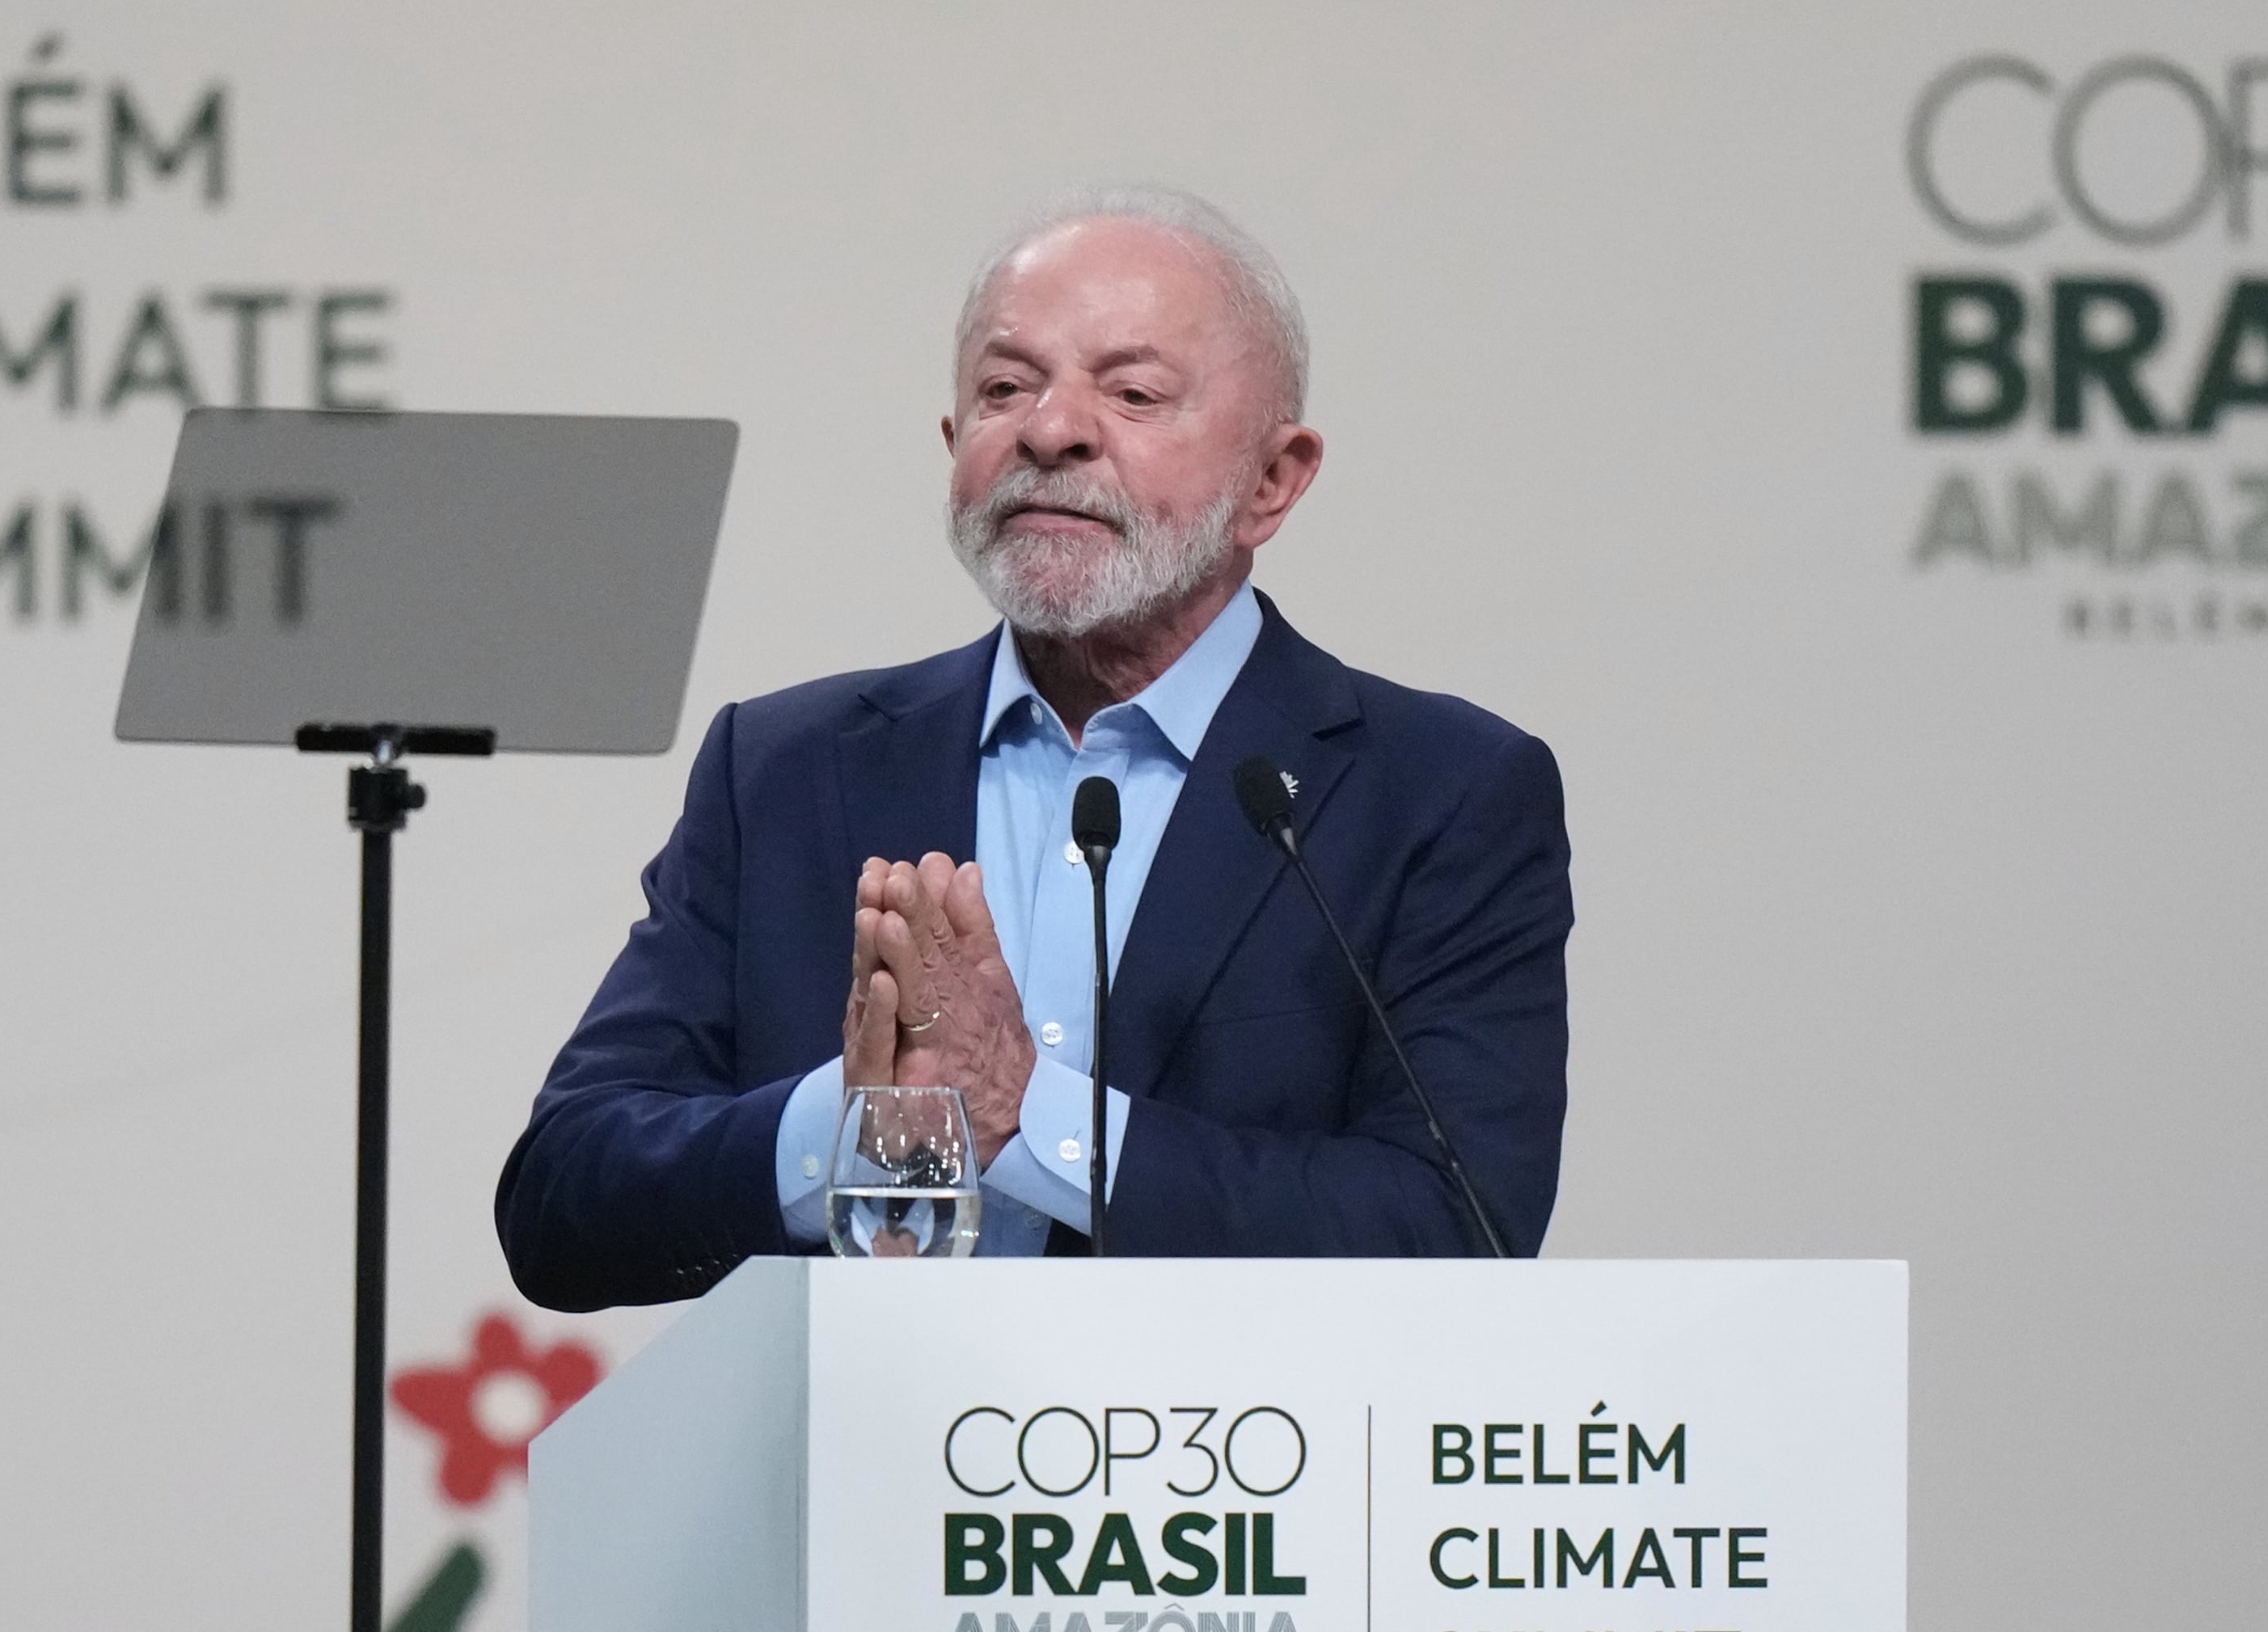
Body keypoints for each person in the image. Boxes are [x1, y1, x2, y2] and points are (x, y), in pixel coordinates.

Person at [496, 187, 1570, 1308]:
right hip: (855, 1466)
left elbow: (1458, 1230)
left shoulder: (1435, 792)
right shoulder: (787, 769)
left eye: (1134, 391)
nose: (1050, 430)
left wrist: (1032, 1118)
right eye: (1006, 388)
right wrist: (858, 1125)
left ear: (1274, 481)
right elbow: (562, 1201)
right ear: (956, 445)